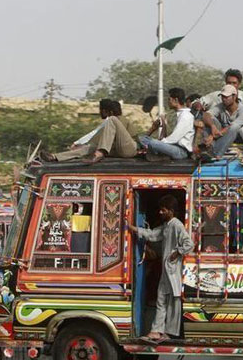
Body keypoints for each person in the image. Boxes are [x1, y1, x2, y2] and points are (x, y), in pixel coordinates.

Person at [128, 195, 193, 342]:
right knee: (162, 300)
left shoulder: (177, 225)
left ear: (170, 211)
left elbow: (189, 244)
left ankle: (169, 333)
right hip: (167, 271)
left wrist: (177, 252)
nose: (160, 213)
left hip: (173, 271)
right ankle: (156, 331)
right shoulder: (167, 226)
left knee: (172, 302)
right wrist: (134, 229)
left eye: (163, 210)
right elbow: (152, 235)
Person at [40, 99, 140, 164]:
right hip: (117, 150)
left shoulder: (118, 120)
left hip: (129, 149)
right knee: (89, 148)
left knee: (112, 121)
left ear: (108, 111)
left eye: (101, 110)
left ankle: (99, 154)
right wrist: (83, 146)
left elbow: (97, 135)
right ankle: (55, 157)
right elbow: (97, 137)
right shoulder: (108, 124)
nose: (100, 112)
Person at [139, 88, 195, 160]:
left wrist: (159, 143)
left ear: (176, 100)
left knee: (147, 141)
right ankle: (161, 155)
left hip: (180, 151)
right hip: (173, 148)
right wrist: (164, 125)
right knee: (145, 139)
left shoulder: (185, 116)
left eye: (169, 99)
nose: (168, 102)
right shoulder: (178, 115)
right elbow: (167, 139)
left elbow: (174, 138)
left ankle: (158, 153)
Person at [201, 84, 243, 159]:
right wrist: (212, 126)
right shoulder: (221, 106)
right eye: (222, 96)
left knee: (234, 128)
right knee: (210, 119)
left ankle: (215, 153)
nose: (224, 99)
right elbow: (206, 115)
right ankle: (208, 147)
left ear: (234, 96)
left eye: (226, 97)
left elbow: (231, 127)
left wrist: (212, 136)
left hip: (238, 137)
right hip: (222, 135)